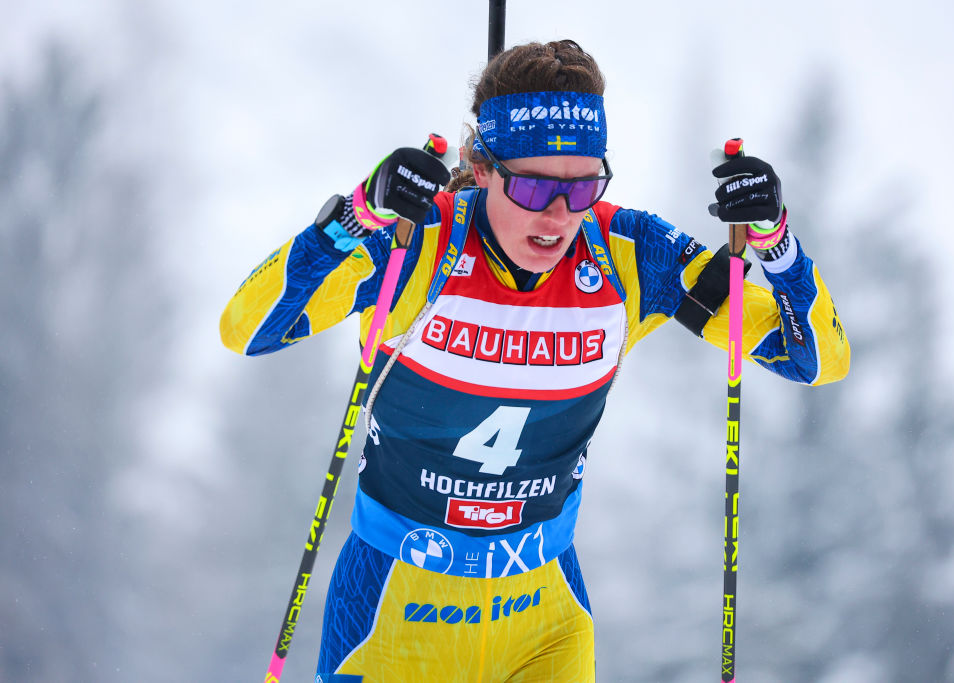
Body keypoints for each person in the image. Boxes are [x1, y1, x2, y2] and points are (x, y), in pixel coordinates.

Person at [220, 39, 849, 683]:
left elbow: (815, 359)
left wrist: (777, 245)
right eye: (532, 186)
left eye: (582, 189)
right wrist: (356, 216)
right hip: (389, 618)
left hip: (544, 623)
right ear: (481, 166)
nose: (557, 215)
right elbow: (250, 329)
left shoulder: (630, 254)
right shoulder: (417, 246)